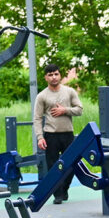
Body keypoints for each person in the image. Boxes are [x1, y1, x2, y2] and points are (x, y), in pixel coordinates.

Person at [33, 63, 83, 204]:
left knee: (72, 164)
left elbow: (79, 110)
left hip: (68, 134)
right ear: (46, 77)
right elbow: (37, 118)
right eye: (50, 75)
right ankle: (58, 194)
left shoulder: (69, 92)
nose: (54, 77)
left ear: (60, 75)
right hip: (51, 135)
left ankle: (65, 188)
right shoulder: (42, 96)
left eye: (56, 74)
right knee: (53, 167)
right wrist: (40, 137)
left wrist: (65, 110)